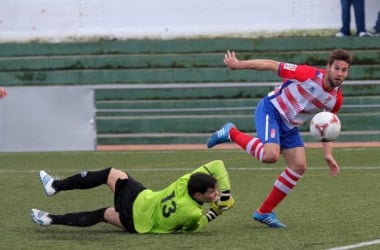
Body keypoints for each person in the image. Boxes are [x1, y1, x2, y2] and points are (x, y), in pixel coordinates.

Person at [207, 49, 353, 228]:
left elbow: (327, 127)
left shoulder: (335, 100)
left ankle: (264, 211)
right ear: (328, 67)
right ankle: (231, 133)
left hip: (290, 126)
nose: (339, 74)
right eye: (336, 68)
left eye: (344, 70)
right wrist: (239, 65)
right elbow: (272, 64)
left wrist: (328, 154)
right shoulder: (307, 74)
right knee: (270, 156)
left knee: (298, 166)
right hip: (272, 110)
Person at [31, 160, 235, 233]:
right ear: (198, 194)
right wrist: (215, 211)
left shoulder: (185, 181)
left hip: (139, 201)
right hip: (137, 225)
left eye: (216, 192)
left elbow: (217, 164)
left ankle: (55, 185)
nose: (216, 194)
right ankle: (50, 219)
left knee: (109, 174)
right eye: (214, 191)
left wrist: (224, 194)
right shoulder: (191, 212)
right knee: (103, 214)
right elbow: (193, 228)